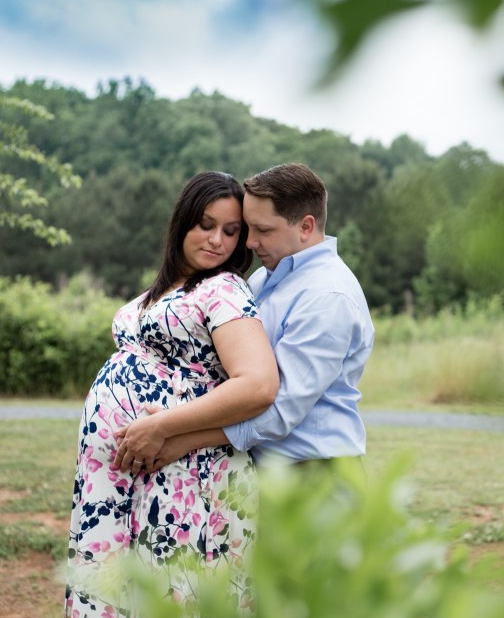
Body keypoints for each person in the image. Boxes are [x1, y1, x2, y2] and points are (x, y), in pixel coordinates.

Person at [58, 171, 279, 618]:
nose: (218, 240)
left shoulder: (224, 289)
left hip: (181, 480)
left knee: (169, 609)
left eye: (231, 232)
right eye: (206, 225)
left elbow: (258, 384)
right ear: (182, 221)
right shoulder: (166, 291)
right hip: (119, 487)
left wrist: (161, 425)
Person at [113, 162, 375, 470]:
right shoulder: (263, 279)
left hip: (315, 472)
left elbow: (280, 411)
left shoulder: (328, 296)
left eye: (263, 230)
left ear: (306, 227)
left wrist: (177, 436)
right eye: (248, 229)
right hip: (260, 469)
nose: (249, 242)